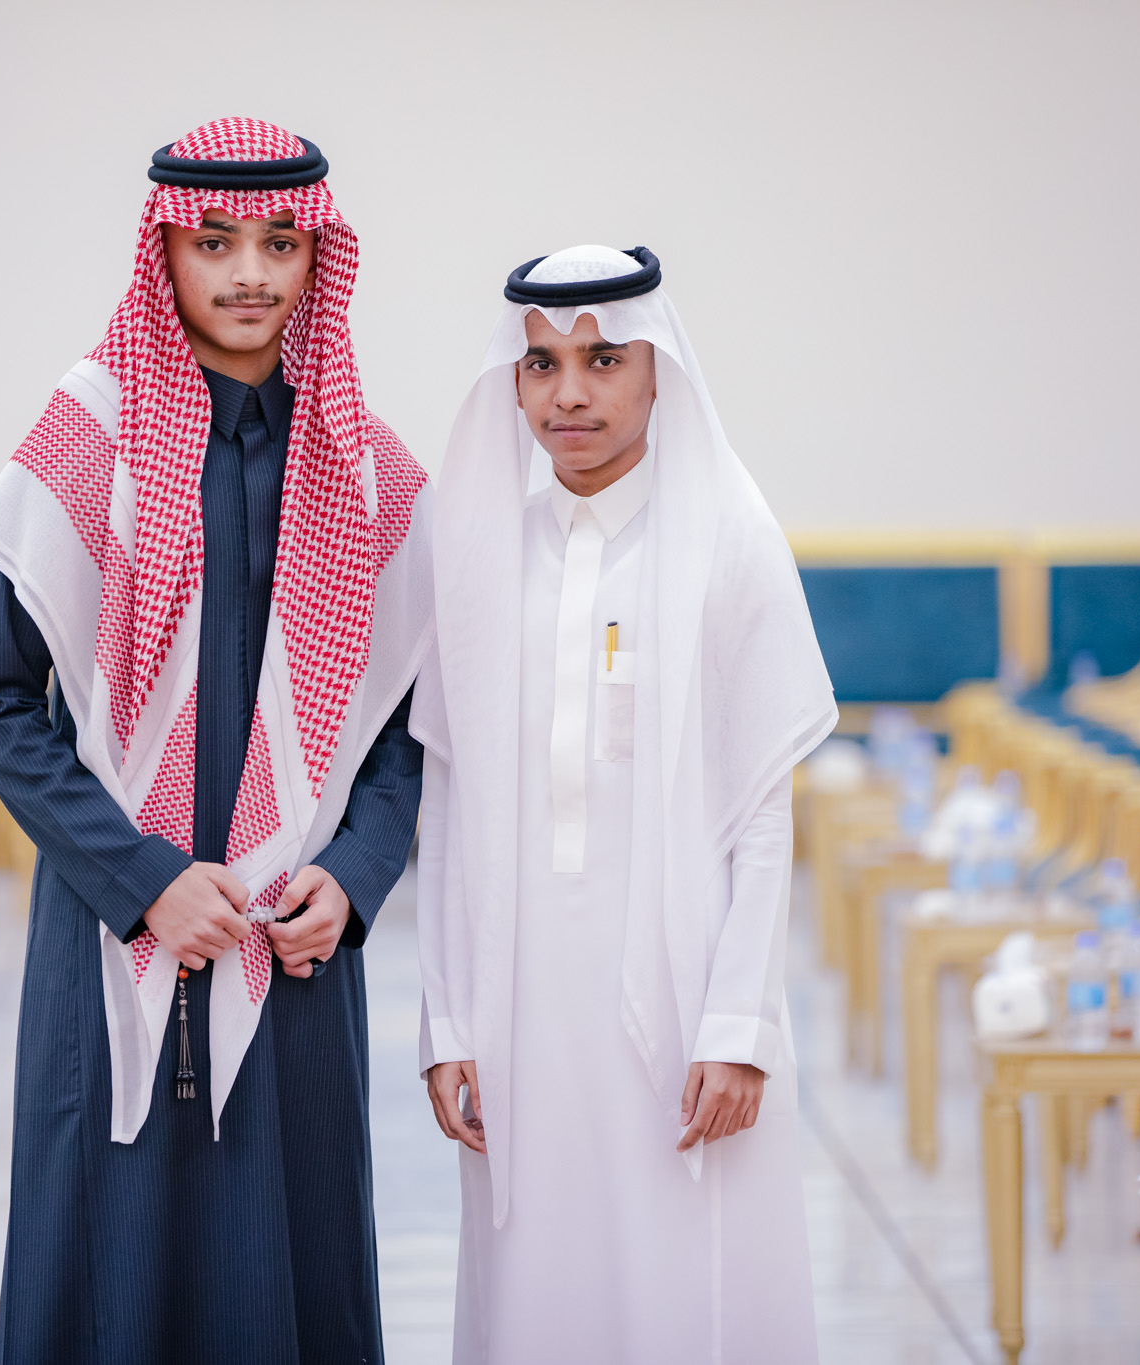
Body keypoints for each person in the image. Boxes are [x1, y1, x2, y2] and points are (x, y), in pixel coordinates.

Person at [0, 117, 431, 1364]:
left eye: (280, 242)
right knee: (107, 1265)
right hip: (114, 927)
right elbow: (0, 708)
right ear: (161, 250)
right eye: (213, 241)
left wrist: (356, 876)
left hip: (296, 942)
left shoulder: (372, 475)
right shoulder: (82, 449)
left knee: (291, 1264)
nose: (249, 273)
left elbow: (409, 730)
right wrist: (145, 882)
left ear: (318, 255)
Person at [413, 244, 835, 1363]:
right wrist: (447, 1023)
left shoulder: (728, 544)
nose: (570, 392)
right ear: (511, 383)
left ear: (658, 373)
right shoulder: (479, 558)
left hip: (682, 1003)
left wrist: (738, 1026)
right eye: (541, 364)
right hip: (519, 1006)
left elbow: (762, 815)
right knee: (535, 1291)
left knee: (683, 1286)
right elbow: (446, 806)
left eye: (603, 360)